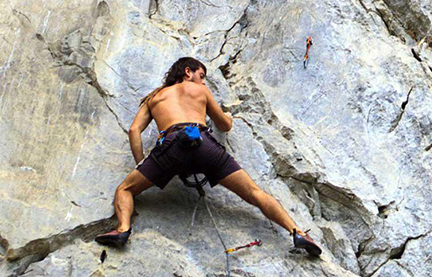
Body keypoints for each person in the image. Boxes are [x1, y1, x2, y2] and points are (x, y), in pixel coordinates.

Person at [94, 57, 322, 256]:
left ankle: (123, 229)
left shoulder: (154, 96)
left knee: (125, 189)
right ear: (188, 72)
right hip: (203, 143)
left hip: (171, 145)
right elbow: (224, 124)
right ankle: (298, 233)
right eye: (201, 75)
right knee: (254, 192)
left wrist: (143, 164)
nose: (203, 81)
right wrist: (229, 117)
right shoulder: (200, 91)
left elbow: (134, 130)